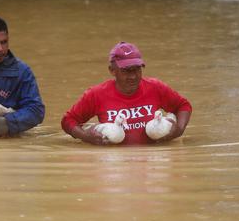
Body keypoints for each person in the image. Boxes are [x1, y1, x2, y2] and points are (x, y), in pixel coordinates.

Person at [61, 42, 192, 145]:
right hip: (116, 167)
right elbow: (68, 120)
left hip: (151, 165)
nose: (133, 76)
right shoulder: (96, 94)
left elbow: (183, 106)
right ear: (112, 71)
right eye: (126, 71)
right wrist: (86, 137)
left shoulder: (155, 87)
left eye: (137, 70)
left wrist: (179, 130)